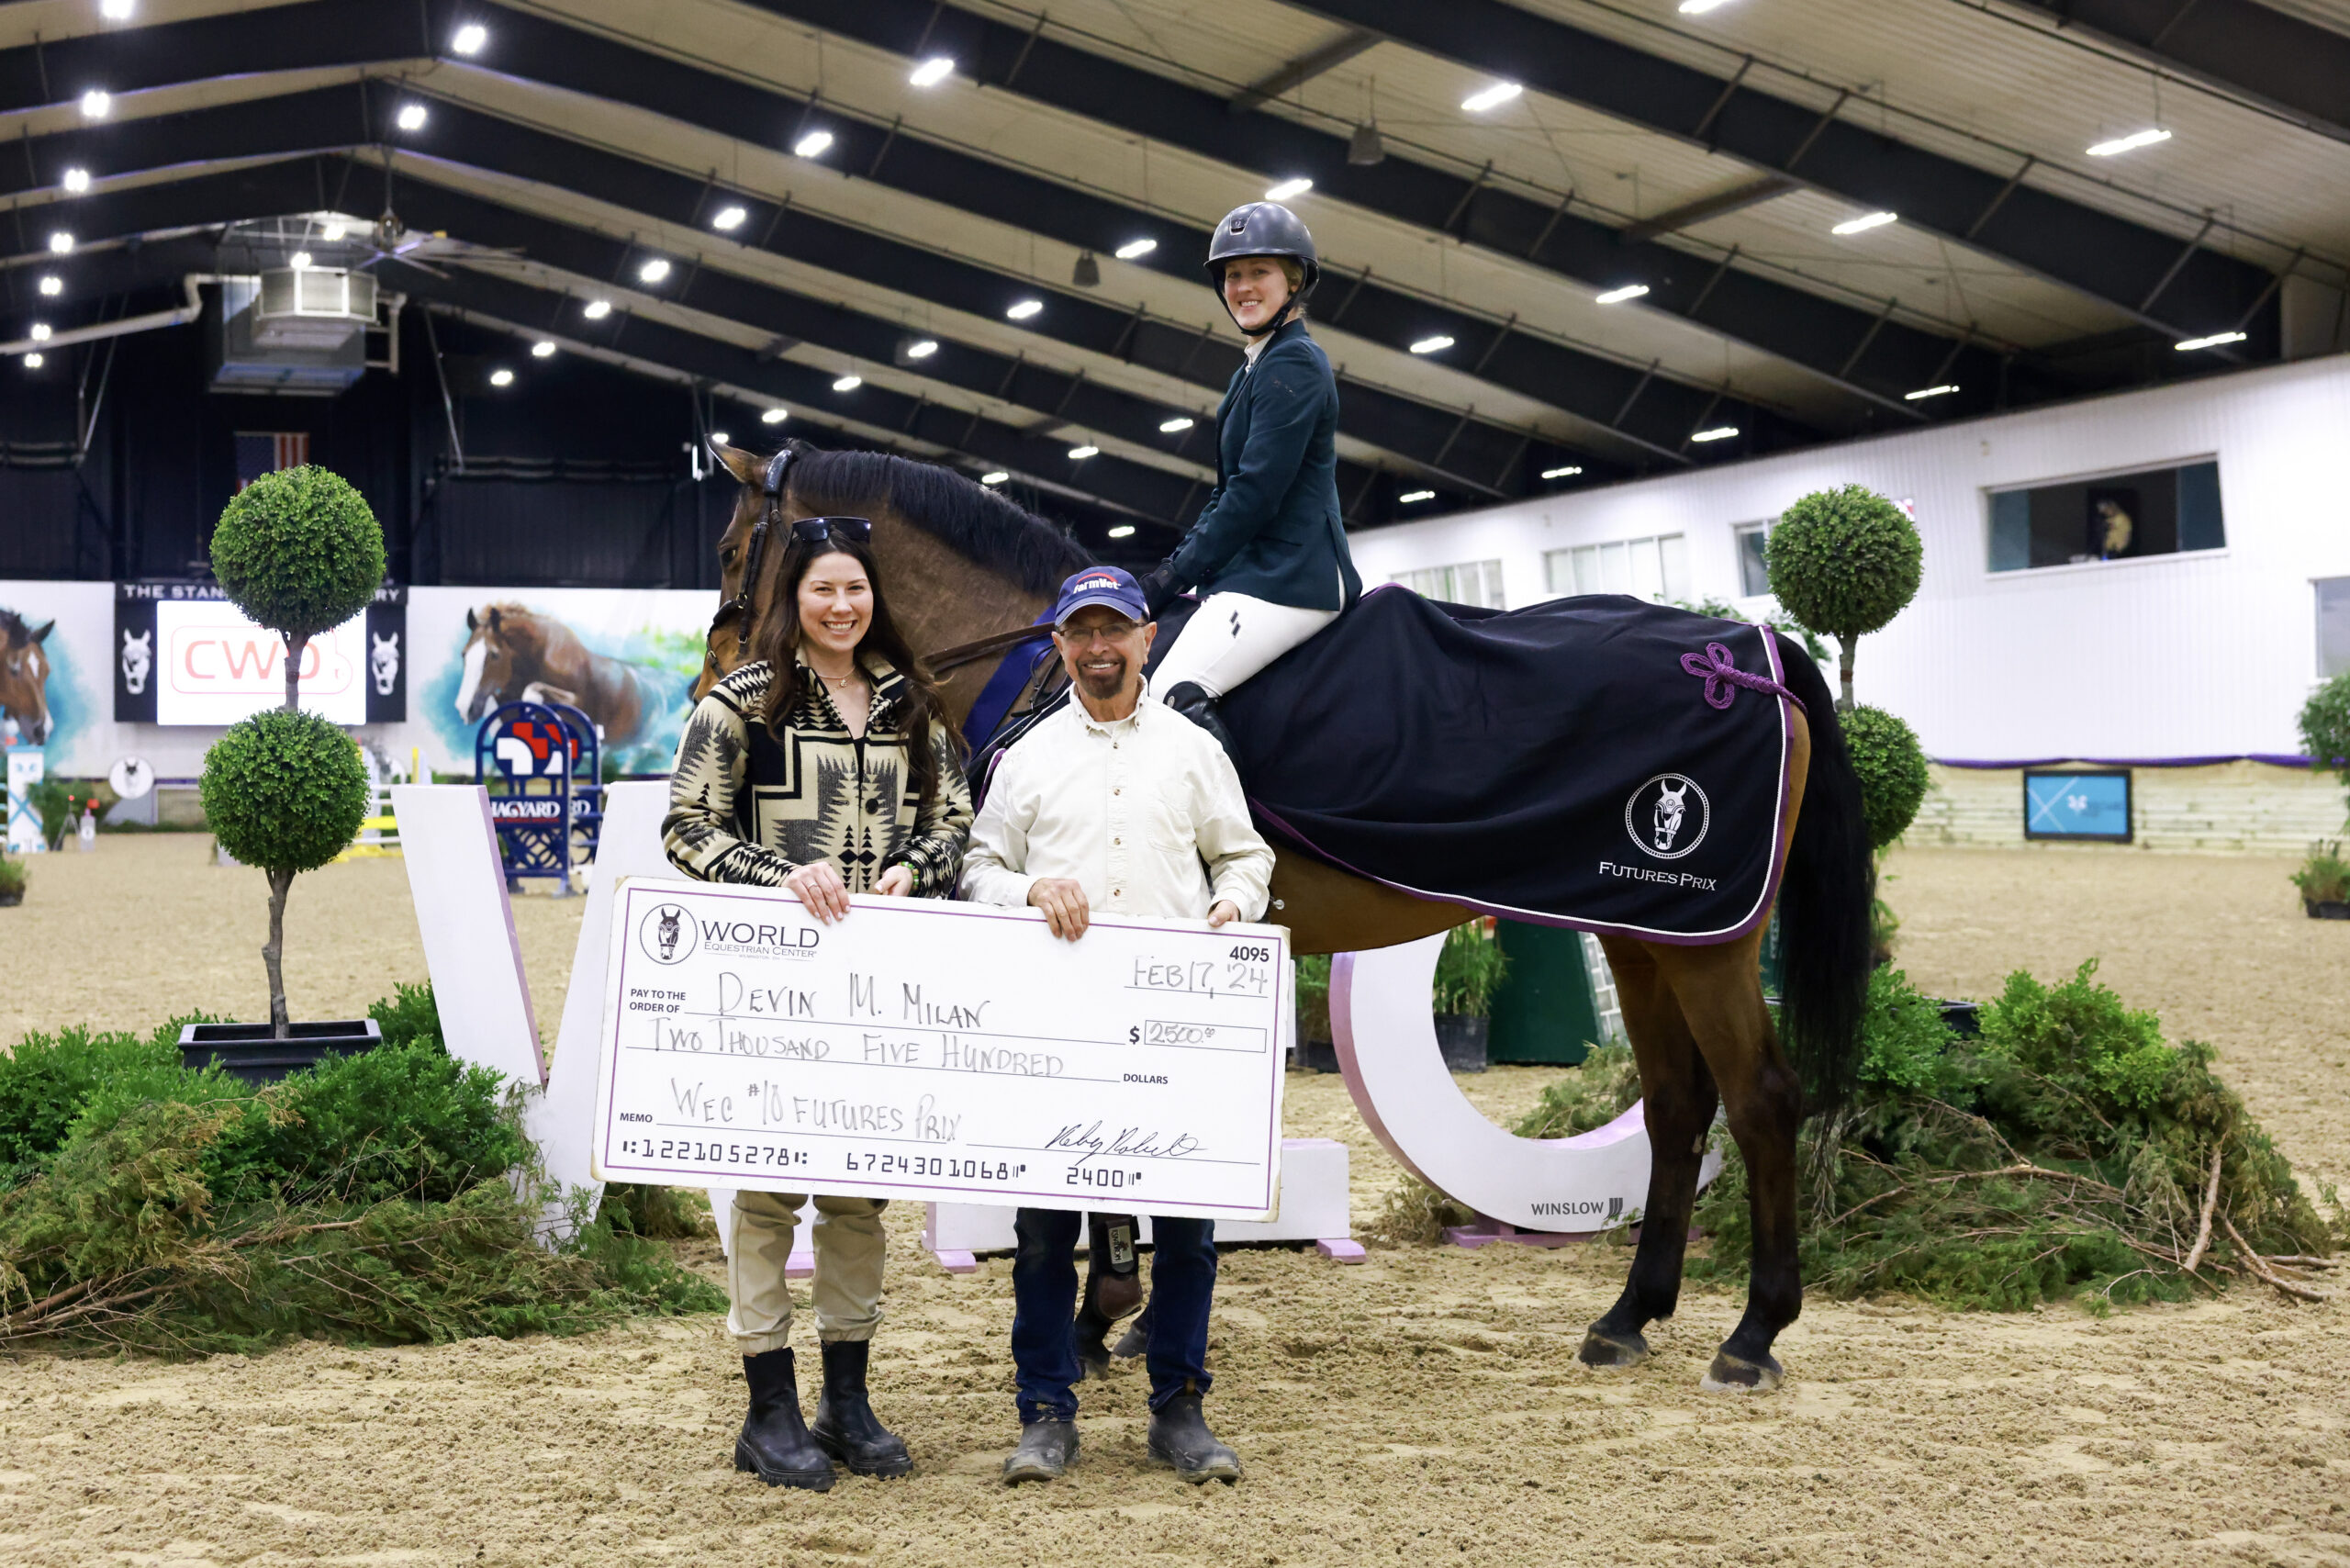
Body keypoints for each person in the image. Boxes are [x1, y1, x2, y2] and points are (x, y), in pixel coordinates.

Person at [662, 514, 973, 1493]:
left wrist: (915, 869)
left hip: (878, 989)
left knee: (857, 1195)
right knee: (765, 1197)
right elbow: (685, 826)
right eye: (822, 589)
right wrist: (777, 875)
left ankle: (847, 1399)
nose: (841, 606)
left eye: (855, 589)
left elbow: (954, 820)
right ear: (791, 597)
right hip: (773, 991)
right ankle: (768, 1409)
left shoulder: (911, 703)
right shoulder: (740, 703)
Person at [961, 565, 1277, 1487]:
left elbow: (1244, 855)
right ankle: (1045, 1413)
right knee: (1041, 1234)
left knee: (1188, 1235)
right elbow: (979, 869)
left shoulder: (1193, 750)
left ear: (1146, 639)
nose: (1098, 649)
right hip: (1058, 1032)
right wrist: (1029, 888)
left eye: (1114, 631)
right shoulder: (1026, 759)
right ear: (1059, 645)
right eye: (1081, 633)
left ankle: (1179, 1407)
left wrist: (1233, 904)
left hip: (1173, 1033)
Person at [1140, 201, 1362, 752]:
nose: (1242, 287)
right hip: (1256, 572)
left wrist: (1170, 579)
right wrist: (1170, 570)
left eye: (1258, 272)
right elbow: (1226, 492)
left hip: (1294, 575)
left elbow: (1253, 496)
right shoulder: (1255, 365)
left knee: (1172, 693)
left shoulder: (1294, 363)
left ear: (1293, 281)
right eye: (1232, 275)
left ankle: (1236, 811)